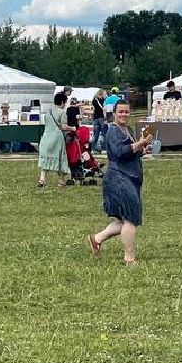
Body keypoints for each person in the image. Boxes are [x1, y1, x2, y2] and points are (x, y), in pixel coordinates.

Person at [88, 101, 153, 266]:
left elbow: (130, 153)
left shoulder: (128, 130)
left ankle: (97, 239)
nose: (124, 115)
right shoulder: (113, 131)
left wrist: (142, 149)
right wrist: (139, 144)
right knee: (130, 219)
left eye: (126, 112)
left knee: (127, 219)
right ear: (114, 113)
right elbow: (119, 152)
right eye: (121, 112)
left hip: (130, 177)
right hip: (118, 178)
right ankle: (129, 258)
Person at [37, 91, 72, 188]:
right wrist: (72, 128)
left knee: (46, 157)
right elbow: (64, 127)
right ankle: (61, 180)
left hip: (46, 136)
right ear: (62, 102)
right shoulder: (63, 113)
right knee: (60, 158)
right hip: (57, 138)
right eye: (65, 102)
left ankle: (42, 179)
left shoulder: (48, 112)